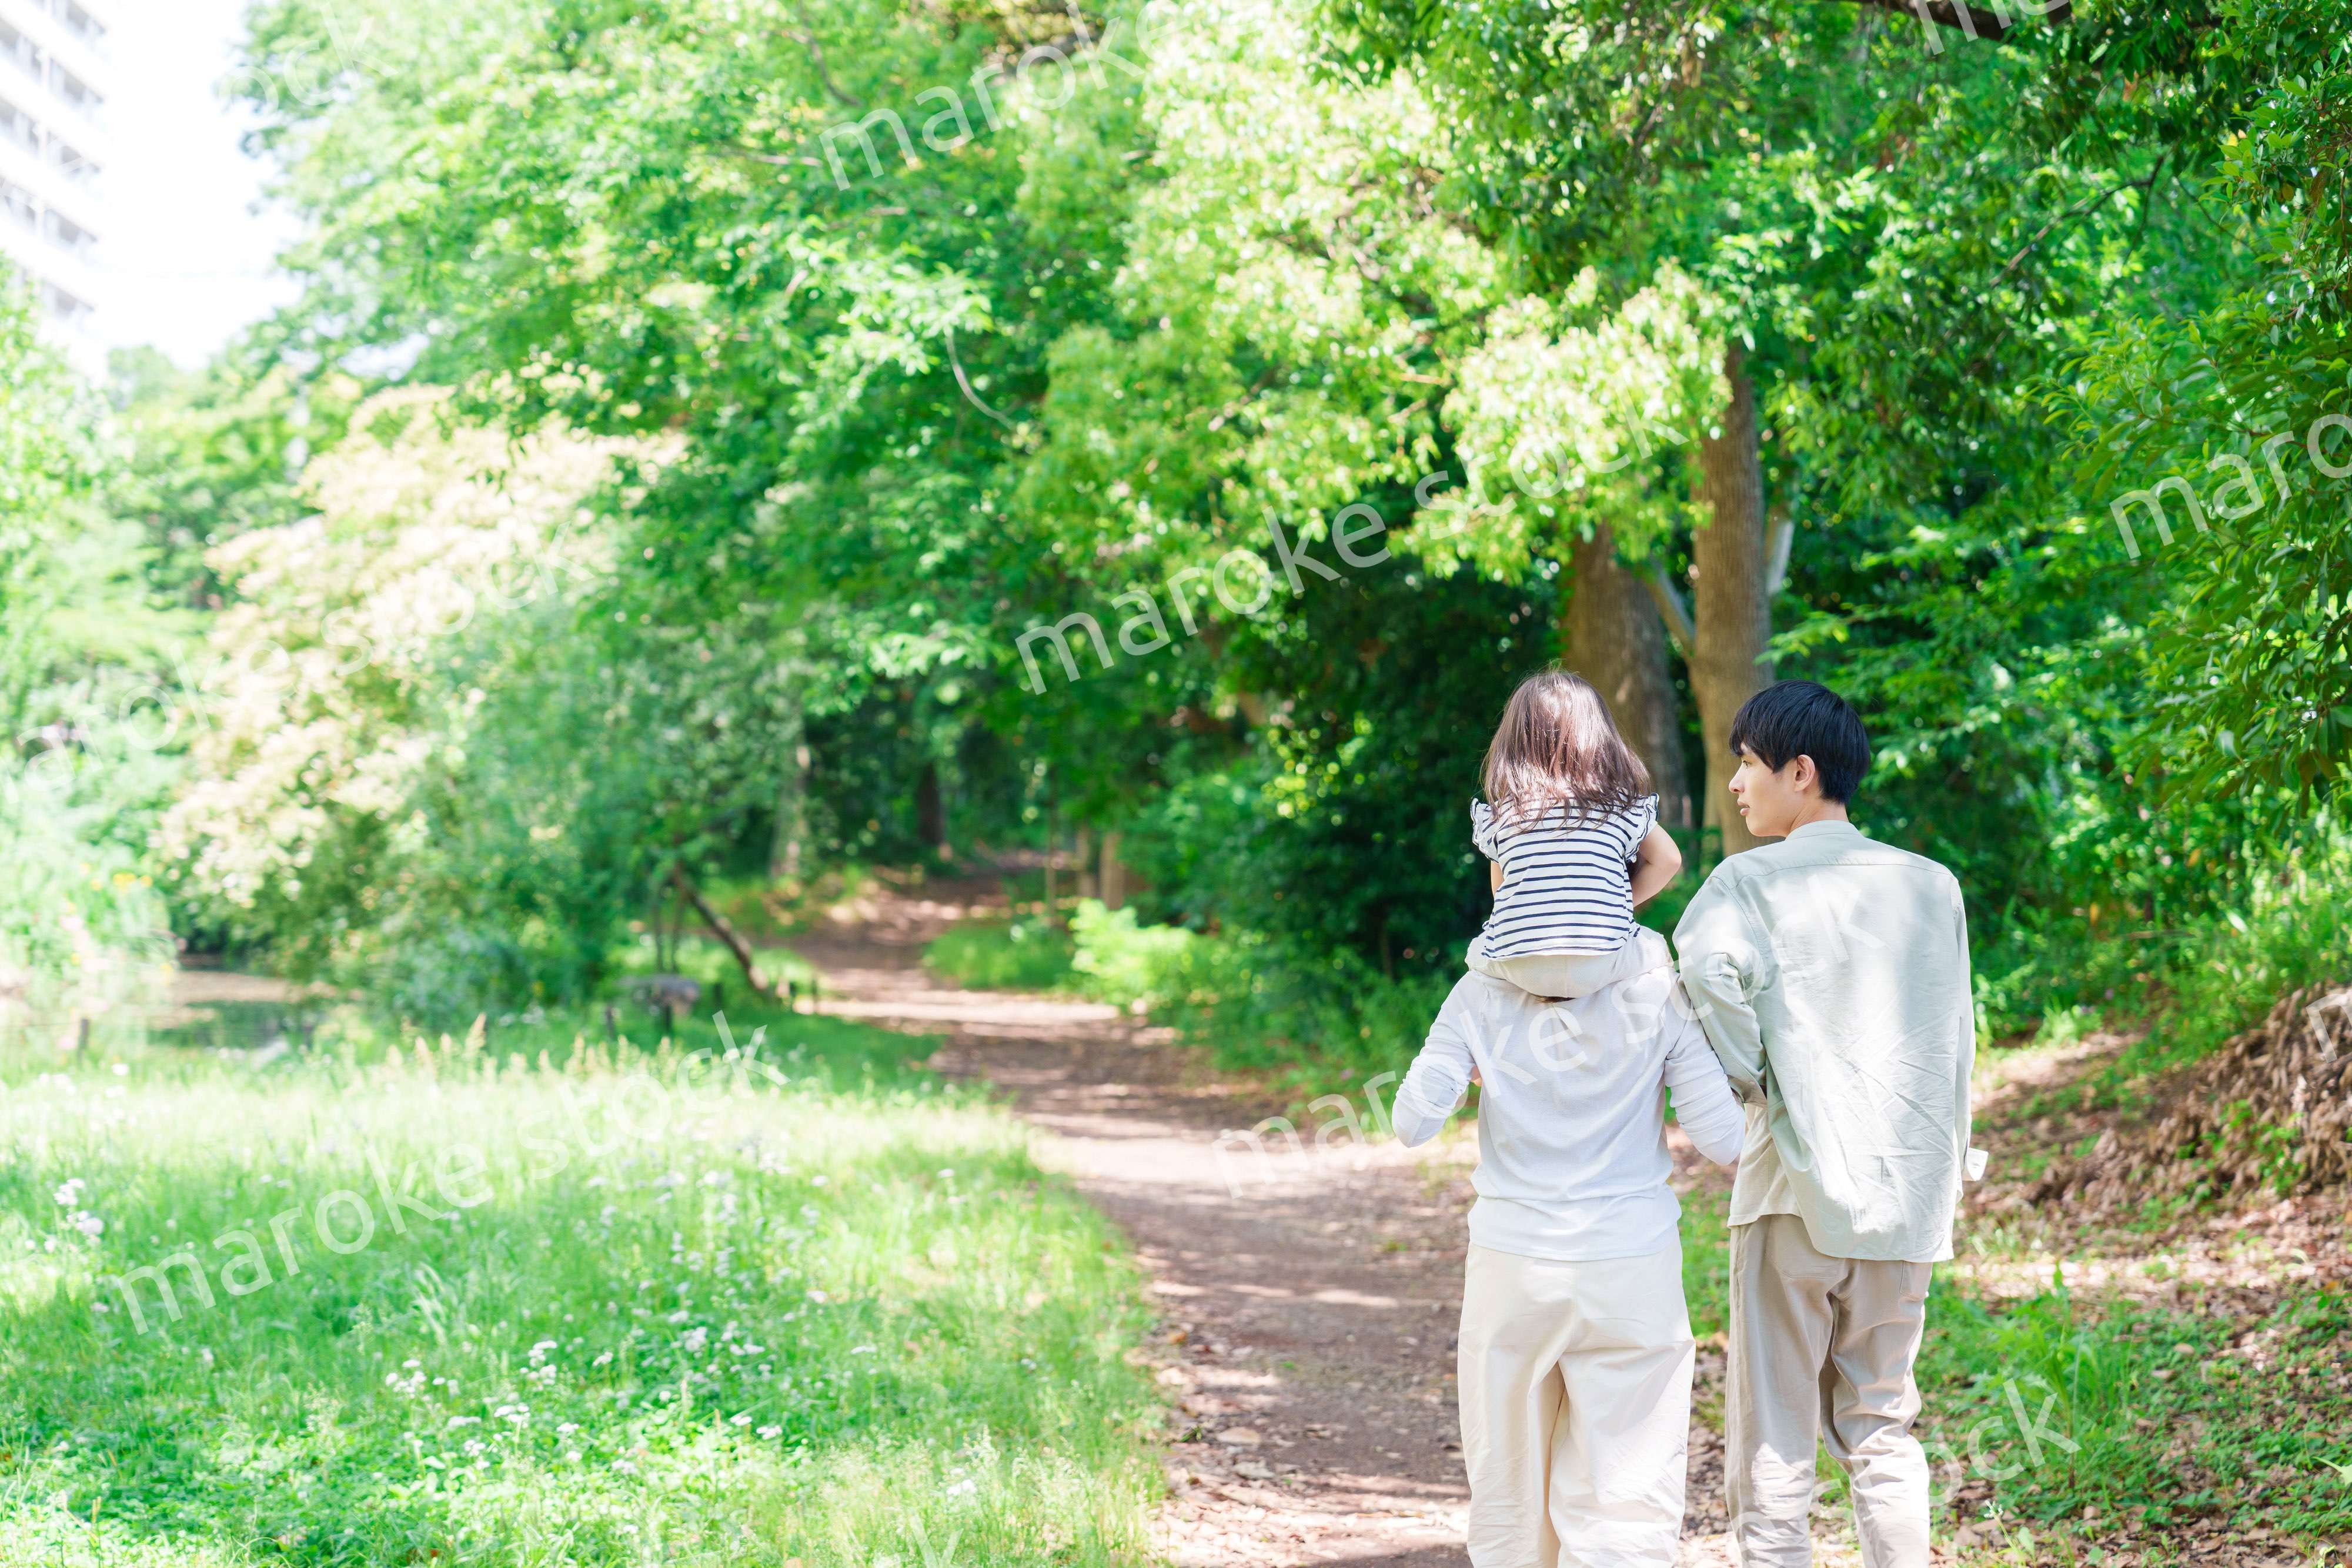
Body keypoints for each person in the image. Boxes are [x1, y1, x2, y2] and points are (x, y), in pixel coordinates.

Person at [1673, 680, 1978, 1568]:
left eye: (1748, 764)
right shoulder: (1933, 885)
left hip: (1790, 1195)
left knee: (1775, 1433)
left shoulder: (1745, 881)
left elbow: (1702, 966)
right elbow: (1957, 1037)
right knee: (1883, 1425)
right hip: (1906, 1194)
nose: (1737, 783)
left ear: (1799, 772)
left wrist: (1757, 1079)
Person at [1468, 670, 1686, 1002]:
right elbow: (1669, 860)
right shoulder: (1619, 807)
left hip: (1522, 968)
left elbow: (1503, 894)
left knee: (1478, 951)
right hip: (1601, 962)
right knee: (1655, 947)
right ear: (1599, 738)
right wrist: (1619, 903)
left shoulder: (1505, 815)